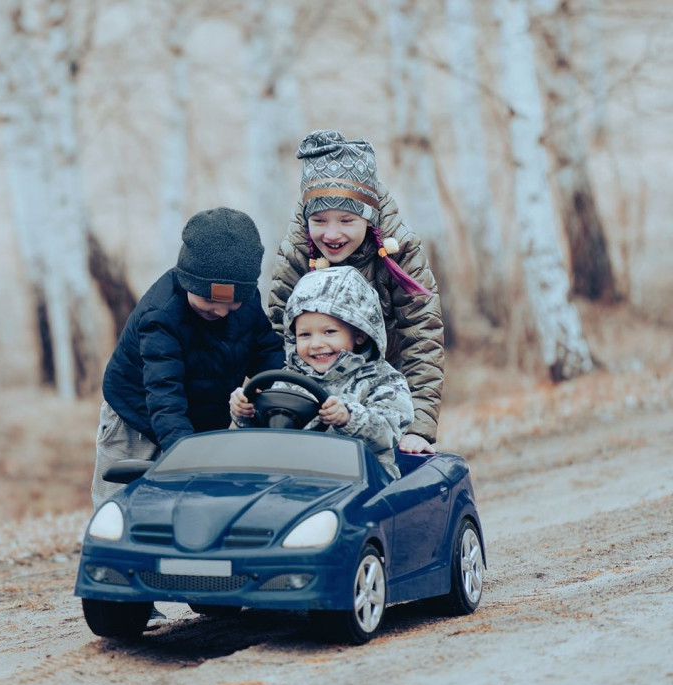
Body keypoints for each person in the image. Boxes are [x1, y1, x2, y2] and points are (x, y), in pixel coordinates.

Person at [92, 207, 285, 508]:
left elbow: (267, 351)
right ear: (187, 282)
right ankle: (114, 551)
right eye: (209, 302)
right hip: (137, 419)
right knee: (121, 506)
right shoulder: (161, 316)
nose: (220, 312)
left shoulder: (246, 304)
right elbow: (164, 397)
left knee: (195, 505)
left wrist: (281, 393)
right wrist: (186, 458)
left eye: (231, 304)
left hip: (205, 414)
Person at [266, 130, 443, 455]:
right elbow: (282, 333)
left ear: (368, 217)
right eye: (319, 220)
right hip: (314, 389)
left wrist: (418, 426)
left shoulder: (399, 250)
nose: (331, 234)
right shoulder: (296, 252)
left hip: (382, 388)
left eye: (346, 220)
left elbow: (422, 336)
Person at [233, 266, 413, 479]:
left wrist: (349, 418)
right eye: (305, 335)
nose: (316, 344)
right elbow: (272, 435)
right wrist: (246, 413)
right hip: (295, 479)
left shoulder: (383, 379)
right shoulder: (290, 378)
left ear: (360, 335)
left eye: (329, 332)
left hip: (363, 479)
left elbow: (389, 430)